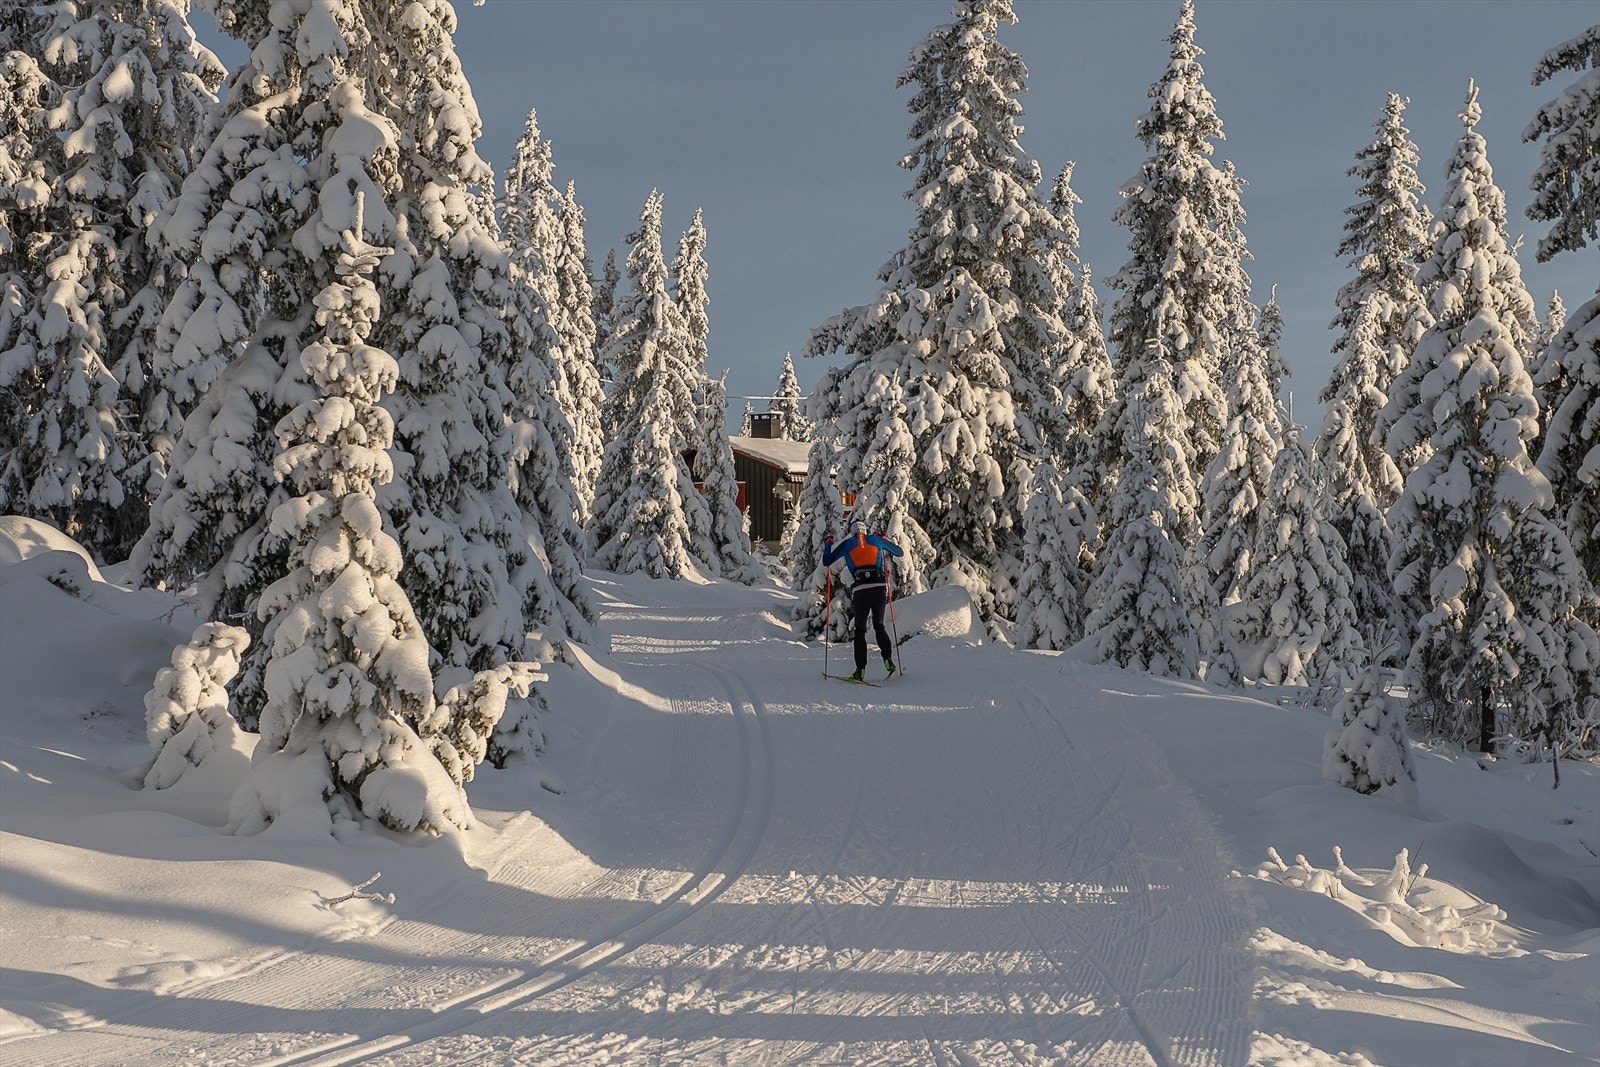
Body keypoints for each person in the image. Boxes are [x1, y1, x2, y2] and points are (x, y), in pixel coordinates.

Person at [822, 519, 904, 681]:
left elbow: (827, 561)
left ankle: (860, 671)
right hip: (879, 588)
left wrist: (828, 544)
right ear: (865, 531)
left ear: (852, 532)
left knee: (860, 630)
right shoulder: (876, 539)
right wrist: (884, 539)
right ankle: (888, 660)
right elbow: (899, 552)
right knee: (879, 625)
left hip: (861, 590)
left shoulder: (848, 544)